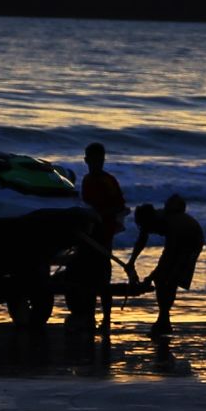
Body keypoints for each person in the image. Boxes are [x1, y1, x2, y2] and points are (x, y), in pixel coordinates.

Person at [126, 194, 205, 334]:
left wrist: (150, 278)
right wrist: (131, 262)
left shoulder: (172, 225)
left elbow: (169, 257)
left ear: (152, 221)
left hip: (191, 240)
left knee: (171, 277)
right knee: (163, 278)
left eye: (146, 226)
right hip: (179, 241)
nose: (145, 229)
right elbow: (141, 239)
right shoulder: (151, 218)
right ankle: (164, 320)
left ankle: (163, 320)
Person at [73, 142, 127, 339]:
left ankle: (106, 319)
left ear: (103, 160)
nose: (96, 163)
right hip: (90, 234)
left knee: (103, 278)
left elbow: (120, 206)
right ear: (86, 160)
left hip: (103, 235)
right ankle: (88, 316)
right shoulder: (87, 180)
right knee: (86, 276)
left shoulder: (108, 181)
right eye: (93, 159)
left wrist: (101, 215)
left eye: (99, 160)